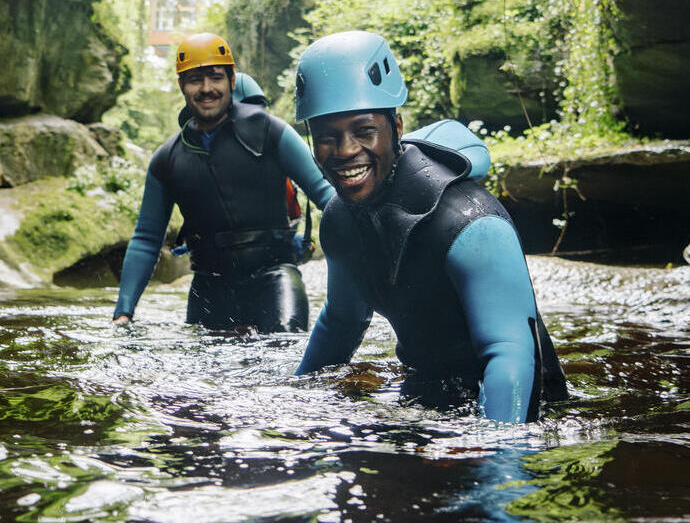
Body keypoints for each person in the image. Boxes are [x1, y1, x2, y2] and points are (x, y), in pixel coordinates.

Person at [293, 30, 568, 422]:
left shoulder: (470, 222)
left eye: (364, 130)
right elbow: (341, 321)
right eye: (326, 138)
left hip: (521, 408)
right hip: (426, 397)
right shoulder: (340, 220)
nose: (346, 150)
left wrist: (499, 468)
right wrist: (294, 400)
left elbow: (508, 354)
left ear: (397, 127)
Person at [112, 32, 333, 332]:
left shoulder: (270, 132)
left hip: (275, 277)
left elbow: (325, 195)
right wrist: (123, 312)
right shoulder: (167, 159)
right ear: (181, 86)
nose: (206, 89)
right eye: (195, 80)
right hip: (209, 289)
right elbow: (146, 239)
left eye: (215, 77)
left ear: (231, 79)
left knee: (284, 359)